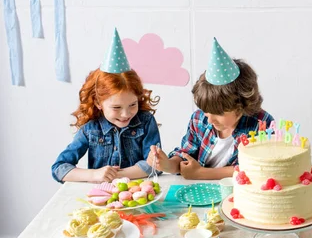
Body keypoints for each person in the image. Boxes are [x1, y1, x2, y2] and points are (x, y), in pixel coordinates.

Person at [149, 38, 273, 180]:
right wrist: (168, 165)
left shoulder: (262, 124)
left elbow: (258, 168)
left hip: (237, 192)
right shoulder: (199, 119)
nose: (210, 118)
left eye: (218, 113)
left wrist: (202, 173)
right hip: (198, 190)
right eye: (206, 110)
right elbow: (186, 156)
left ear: (241, 105)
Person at [52, 29, 161, 183]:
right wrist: (94, 175)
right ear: (98, 103)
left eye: (132, 104)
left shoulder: (146, 121)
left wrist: (116, 175)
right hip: (101, 198)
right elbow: (59, 169)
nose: (126, 114)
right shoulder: (90, 130)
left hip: (139, 195)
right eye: (116, 107)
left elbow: (155, 165)